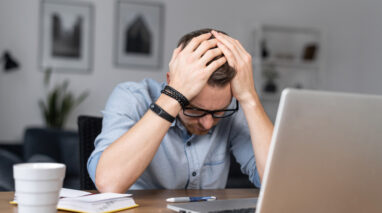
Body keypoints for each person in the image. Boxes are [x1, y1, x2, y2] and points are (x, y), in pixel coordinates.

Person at [88, 28, 274, 193]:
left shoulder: (230, 107)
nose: (208, 124)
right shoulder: (131, 97)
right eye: (195, 110)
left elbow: (275, 183)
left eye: (218, 112)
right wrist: (174, 96)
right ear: (171, 81)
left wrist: (250, 99)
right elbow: (108, 183)